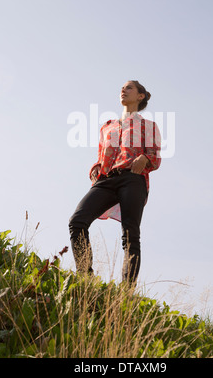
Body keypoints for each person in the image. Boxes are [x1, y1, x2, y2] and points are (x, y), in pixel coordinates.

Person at [68, 80, 161, 284]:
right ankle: (86, 277)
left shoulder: (149, 126)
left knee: (130, 234)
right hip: (107, 179)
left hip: (133, 179)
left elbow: (155, 157)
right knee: (77, 221)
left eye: (129, 87)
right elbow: (101, 157)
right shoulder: (107, 126)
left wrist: (145, 158)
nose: (123, 90)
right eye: (122, 87)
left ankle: (127, 291)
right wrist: (95, 170)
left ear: (140, 96)